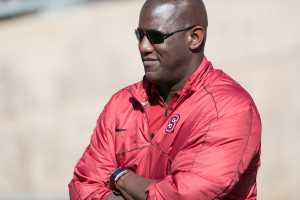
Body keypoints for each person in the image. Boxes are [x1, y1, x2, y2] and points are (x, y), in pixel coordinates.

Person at [68, 0, 262, 199]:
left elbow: (184, 195)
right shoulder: (122, 104)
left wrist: (120, 177)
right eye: (140, 35)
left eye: (155, 36)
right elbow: (82, 187)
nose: (144, 47)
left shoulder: (229, 108)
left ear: (194, 37)